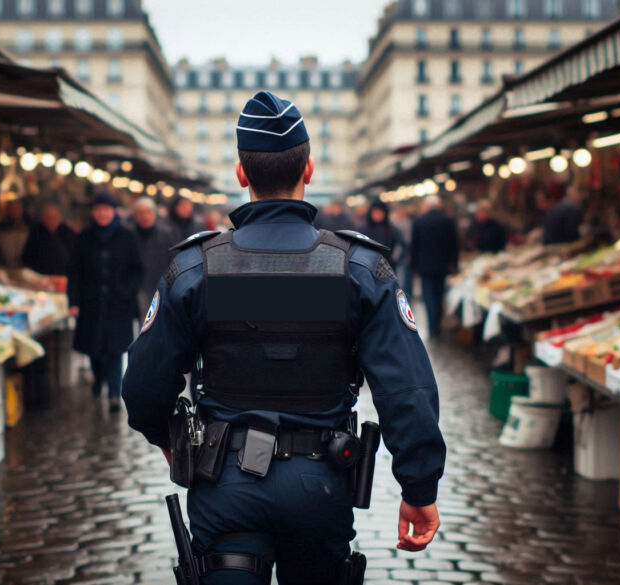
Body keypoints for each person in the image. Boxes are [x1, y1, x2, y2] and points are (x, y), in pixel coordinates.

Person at [122, 91, 445, 584]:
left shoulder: (194, 268)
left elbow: (143, 385)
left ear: (241, 174)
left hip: (223, 482)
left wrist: (166, 436)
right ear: (308, 170)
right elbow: (407, 389)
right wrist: (419, 486)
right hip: (320, 484)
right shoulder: (360, 270)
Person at [67, 191, 143, 411]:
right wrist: (73, 300)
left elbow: (137, 269)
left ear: (113, 212)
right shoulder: (84, 237)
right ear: (93, 212)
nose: (102, 213)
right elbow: (74, 271)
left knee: (115, 350)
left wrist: (127, 291)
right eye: (99, 209)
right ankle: (98, 379)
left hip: (118, 303)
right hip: (91, 302)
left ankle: (113, 394)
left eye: (106, 209)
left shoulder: (126, 236)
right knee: (94, 348)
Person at [411, 195, 459, 338]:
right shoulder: (448, 221)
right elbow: (454, 244)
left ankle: (432, 326)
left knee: (428, 296)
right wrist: (454, 264)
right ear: (439, 205)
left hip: (425, 266)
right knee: (439, 294)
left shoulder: (419, 221)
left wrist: (414, 266)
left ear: (427, 206)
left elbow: (415, 246)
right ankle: (438, 323)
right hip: (442, 265)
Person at [130, 197, 177, 317]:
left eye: (148, 212)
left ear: (154, 213)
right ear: (135, 216)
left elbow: (173, 261)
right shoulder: (129, 235)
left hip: (161, 285)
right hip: (137, 287)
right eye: (140, 213)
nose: (144, 216)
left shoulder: (166, 234)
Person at [21, 203, 75, 276]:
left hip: (65, 275)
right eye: (49, 218)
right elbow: (27, 259)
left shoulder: (68, 233)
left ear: (60, 218)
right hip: (42, 277)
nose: (52, 221)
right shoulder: (36, 234)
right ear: (42, 219)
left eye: (54, 217)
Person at [0, 199, 30, 269]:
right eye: (12, 208)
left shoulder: (25, 227)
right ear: (6, 210)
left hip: (21, 268)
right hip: (0, 267)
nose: (15, 211)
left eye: (17, 208)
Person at [362, 198, 403, 266]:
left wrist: (394, 259)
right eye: (375, 212)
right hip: (369, 267)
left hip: (389, 267)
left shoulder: (392, 229)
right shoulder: (364, 230)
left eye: (380, 212)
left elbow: (399, 246)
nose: (377, 215)